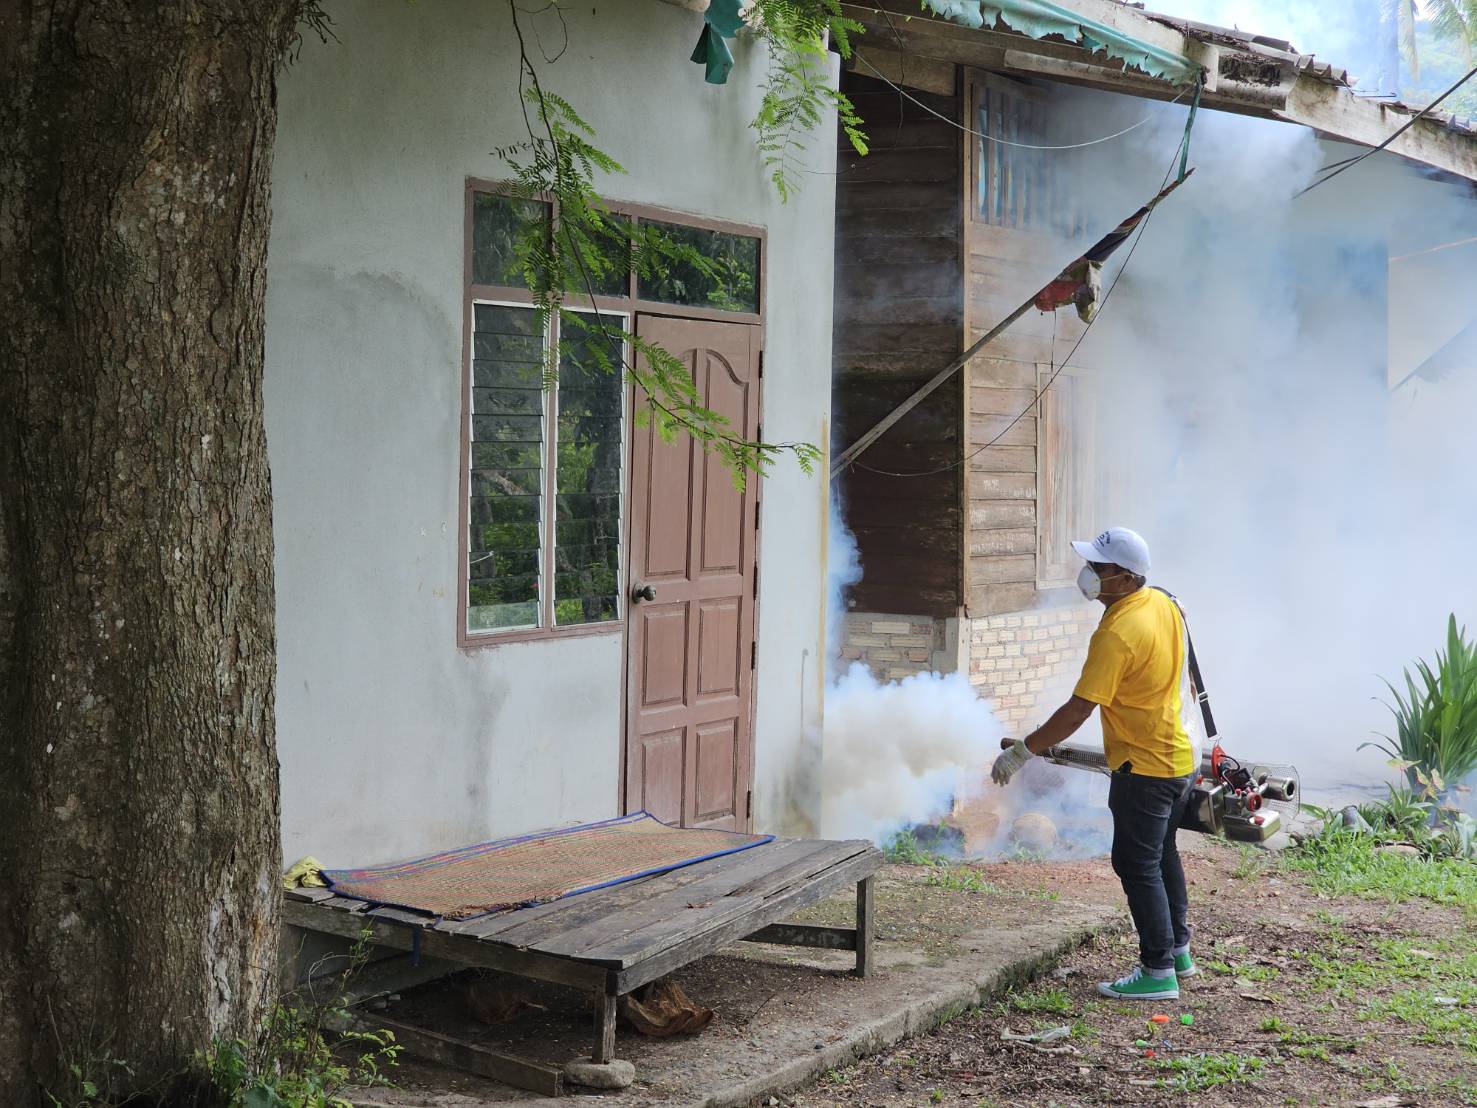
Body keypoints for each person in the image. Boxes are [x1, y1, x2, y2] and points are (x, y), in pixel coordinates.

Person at [991, 527, 1200, 1001]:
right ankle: (1178, 952)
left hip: (1144, 766)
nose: (1088, 574)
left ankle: (1157, 971)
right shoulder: (1161, 601)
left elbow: (1077, 709)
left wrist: (1024, 749)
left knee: (1135, 864)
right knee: (1161, 854)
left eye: (1099, 569)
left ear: (1125, 578)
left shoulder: (1119, 631)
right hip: (1178, 756)